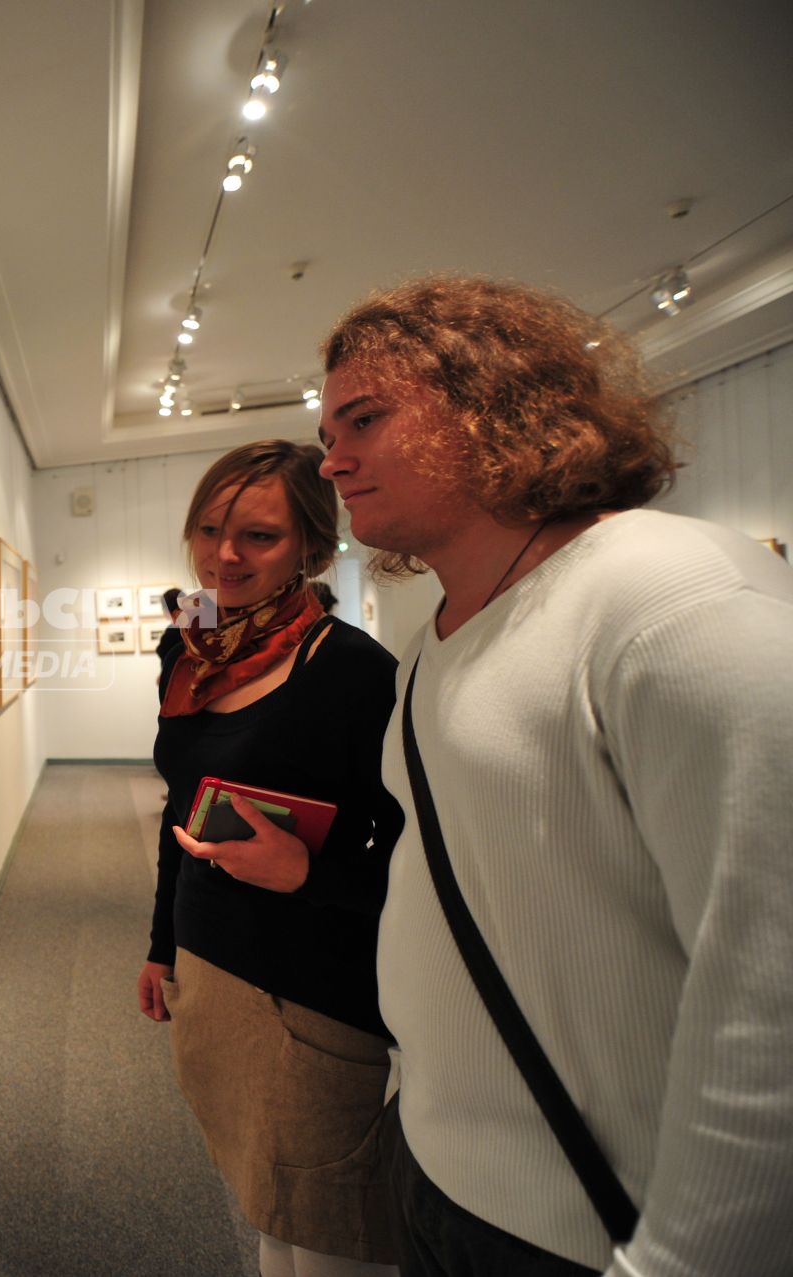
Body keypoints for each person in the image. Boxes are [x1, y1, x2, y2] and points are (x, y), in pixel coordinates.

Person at [316, 276, 793, 1277]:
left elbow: (770, 980)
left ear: (496, 404)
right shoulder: (431, 645)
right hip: (441, 1173)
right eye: (330, 429)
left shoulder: (673, 598)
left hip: (599, 1230)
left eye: (365, 416)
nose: (333, 458)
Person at [137, 440, 406, 1277]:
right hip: (211, 962)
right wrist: (159, 945)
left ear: (313, 549)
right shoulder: (187, 652)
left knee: (331, 1226)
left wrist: (306, 873)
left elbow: (417, 857)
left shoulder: (354, 671)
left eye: (258, 536)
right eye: (210, 529)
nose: (224, 554)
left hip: (312, 985)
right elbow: (179, 810)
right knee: (267, 1207)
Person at [153, 584, 186, 702]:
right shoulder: (193, 627)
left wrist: (164, 675)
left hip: (176, 686)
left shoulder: (173, 631)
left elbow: (169, 657)